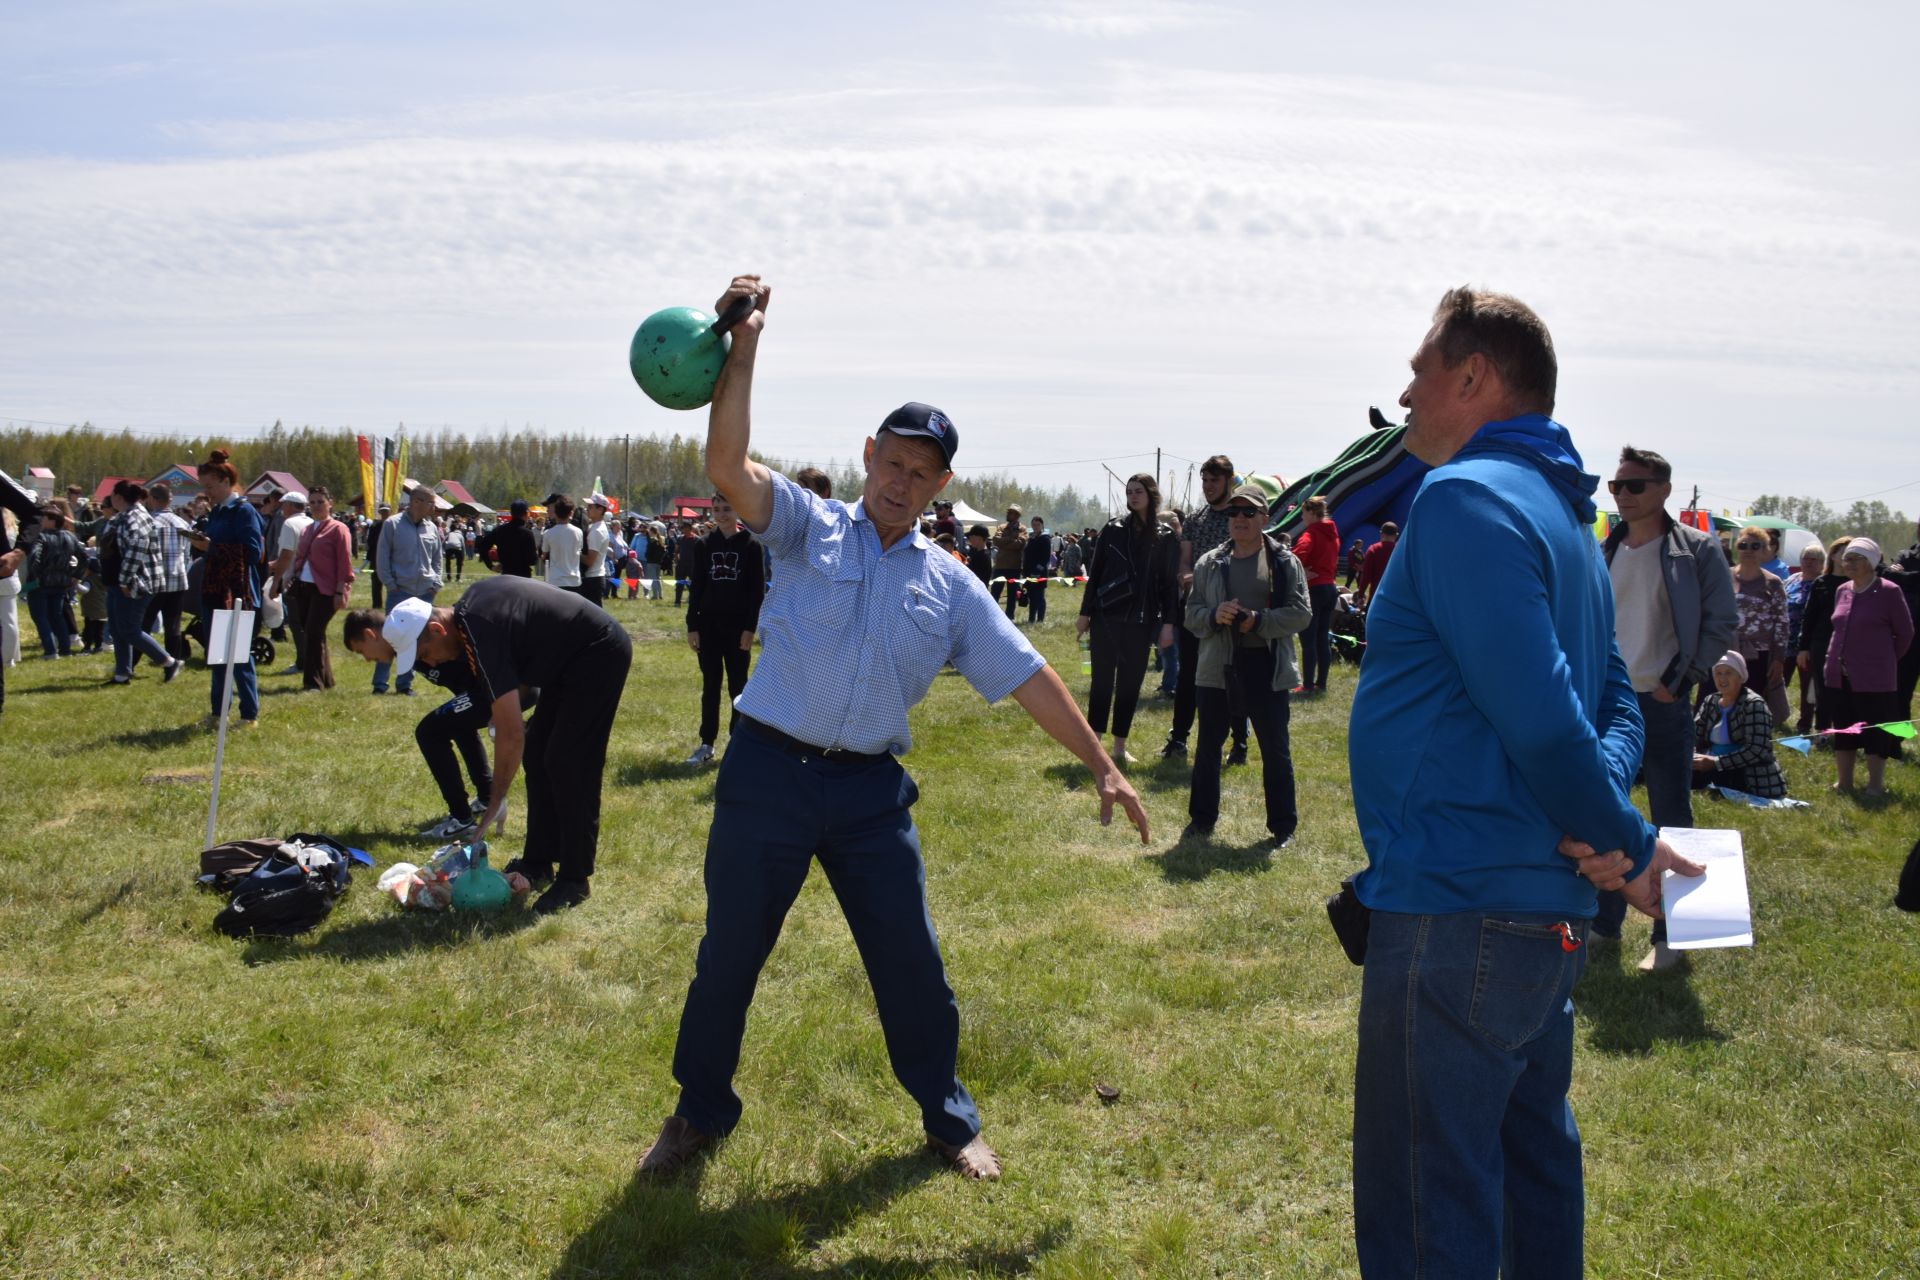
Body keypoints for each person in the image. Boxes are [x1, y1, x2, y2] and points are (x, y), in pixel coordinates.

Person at [636, 274, 1149, 1185]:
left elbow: (1026, 674)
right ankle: (697, 1114)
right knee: (729, 957)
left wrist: (1103, 765)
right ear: (868, 455)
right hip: (768, 776)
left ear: (942, 483)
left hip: (870, 796)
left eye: (922, 473)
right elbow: (727, 466)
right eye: (892, 464)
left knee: (912, 966)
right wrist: (744, 347)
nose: (901, 484)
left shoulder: (949, 584)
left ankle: (949, 1123)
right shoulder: (806, 528)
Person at [1347, 287, 1703, 1277]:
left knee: (1431, 1208)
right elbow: (1614, 709)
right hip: (1537, 915)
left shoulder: (1466, 499)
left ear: (1473, 378)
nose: (1407, 390)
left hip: (1461, 907)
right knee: (1532, 1178)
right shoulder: (1565, 523)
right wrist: (1604, 822)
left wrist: (1626, 847)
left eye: (1422, 368)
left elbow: (1552, 717)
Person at [344, 574, 631, 911]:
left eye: (426, 654)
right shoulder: (469, 624)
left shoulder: (480, 632)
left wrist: (493, 801)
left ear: (437, 630)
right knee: (539, 752)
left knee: (569, 760)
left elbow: (510, 734)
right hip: (565, 663)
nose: (431, 663)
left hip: (598, 652)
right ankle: (538, 860)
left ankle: (575, 879)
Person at [1596, 445, 1737, 971]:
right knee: (1605, 815)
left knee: (1672, 816)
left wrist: (1681, 682)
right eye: (1616, 486)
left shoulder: (1696, 549)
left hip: (1662, 701)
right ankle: (1602, 927)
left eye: (1634, 486)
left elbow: (1722, 622)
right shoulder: (1603, 550)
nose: (1623, 496)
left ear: (1664, 490)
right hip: (1606, 702)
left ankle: (1674, 940)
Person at [344, 598, 533, 841]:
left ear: (370, 635)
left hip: (509, 687)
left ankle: (461, 818)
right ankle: (486, 799)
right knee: (454, 725)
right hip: (494, 688)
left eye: (361, 651)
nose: (367, 659)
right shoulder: (411, 647)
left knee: (429, 731)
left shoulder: (414, 636)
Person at [1183, 483, 1310, 842]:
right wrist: (1214, 615)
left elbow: (1301, 614)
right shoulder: (1209, 562)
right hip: (1217, 666)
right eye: (1233, 512)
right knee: (1208, 747)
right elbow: (1191, 615)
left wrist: (1260, 621)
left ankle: (1283, 827)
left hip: (1266, 666)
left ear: (1264, 518)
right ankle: (1201, 820)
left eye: (1248, 512)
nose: (1239, 518)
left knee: (1275, 749)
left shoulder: (1285, 562)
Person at [1077, 473, 1178, 764]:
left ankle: (1120, 746)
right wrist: (1084, 613)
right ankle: (1094, 744)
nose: (1133, 496)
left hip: (1142, 620)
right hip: (1106, 615)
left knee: (1130, 684)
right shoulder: (1113, 529)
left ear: (1151, 494)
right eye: (1129, 491)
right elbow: (1095, 574)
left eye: (1139, 491)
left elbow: (1169, 585)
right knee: (1101, 682)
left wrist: (1168, 624)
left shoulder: (1165, 536)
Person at [1164, 455, 1248, 764]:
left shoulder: (1240, 517)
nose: (1209, 486)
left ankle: (1239, 743)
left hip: (1231, 610)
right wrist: (1187, 579)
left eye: (1214, 480)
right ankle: (1178, 739)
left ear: (1228, 480)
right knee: (1189, 675)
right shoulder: (1195, 519)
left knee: (1232, 676)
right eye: (1205, 480)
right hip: (1196, 611)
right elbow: (1184, 560)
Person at [1823, 538, 1914, 798]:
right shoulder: (1842, 590)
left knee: (1876, 731)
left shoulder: (1889, 591)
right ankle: (1844, 782)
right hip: (1838, 674)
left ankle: (1875, 785)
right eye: (1846, 558)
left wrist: (1884, 661)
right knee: (1844, 729)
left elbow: (1905, 634)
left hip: (1876, 677)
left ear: (1871, 562)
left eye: (1855, 558)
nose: (1847, 563)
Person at [682, 493, 764, 766]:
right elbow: (697, 588)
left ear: (737, 510)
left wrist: (750, 628)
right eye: (716, 509)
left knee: (738, 687)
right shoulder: (704, 545)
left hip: (738, 628)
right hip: (708, 627)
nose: (721, 514)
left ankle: (737, 743)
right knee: (710, 685)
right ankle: (706, 743)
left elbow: (756, 591)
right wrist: (692, 625)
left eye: (727, 508)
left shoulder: (751, 545)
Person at [192, 450, 264, 727]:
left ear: (225, 482)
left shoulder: (243, 511)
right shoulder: (219, 512)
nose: (207, 492)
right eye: (204, 487)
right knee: (219, 656)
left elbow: (253, 552)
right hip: (215, 590)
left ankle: (249, 715)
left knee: (239, 655)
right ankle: (218, 712)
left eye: (210, 486)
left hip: (238, 593)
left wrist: (211, 547)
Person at [101, 480, 186, 686]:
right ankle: (122, 674)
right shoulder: (123, 516)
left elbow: (138, 544)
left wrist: (124, 579)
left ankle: (169, 662)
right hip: (118, 582)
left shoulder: (135, 516)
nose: (111, 497)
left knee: (129, 629)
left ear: (119, 497)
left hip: (135, 583)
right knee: (118, 628)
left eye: (113, 494)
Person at [373, 485, 444, 695]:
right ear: (416, 502)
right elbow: (382, 557)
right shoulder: (392, 525)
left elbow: (437, 559)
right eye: (431, 502)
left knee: (414, 639)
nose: (434, 507)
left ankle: (404, 685)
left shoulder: (431, 527)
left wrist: (435, 585)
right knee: (390, 637)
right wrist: (391, 585)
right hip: (399, 591)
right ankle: (379, 684)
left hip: (424, 592)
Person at [1691, 651, 1788, 799]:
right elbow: (1694, 734)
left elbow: (1756, 751)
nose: (1722, 679)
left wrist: (1716, 763)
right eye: (1718, 673)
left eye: (1728, 673)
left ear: (1740, 676)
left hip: (1747, 773)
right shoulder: (1710, 701)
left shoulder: (1754, 704)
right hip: (1711, 764)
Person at [287, 486, 354, 691]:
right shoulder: (308, 528)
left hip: (325, 589)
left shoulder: (338, 529)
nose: (316, 506)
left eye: (320, 502)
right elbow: (299, 557)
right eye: (312, 502)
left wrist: (340, 591)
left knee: (313, 633)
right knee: (313, 633)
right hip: (304, 587)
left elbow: (344, 563)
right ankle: (326, 679)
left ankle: (312, 683)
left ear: (330, 503)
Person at [1730, 524, 1791, 726]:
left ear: (1765, 551)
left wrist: (1779, 659)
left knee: (1750, 706)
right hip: (1724, 652)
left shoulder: (1773, 583)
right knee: (1716, 701)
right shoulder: (1723, 576)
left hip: (1758, 656)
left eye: (1755, 546)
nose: (1748, 550)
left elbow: (1782, 622)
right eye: (1743, 545)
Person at [1797, 537, 1854, 739]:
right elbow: (1809, 617)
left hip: (1849, 644)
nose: (1846, 555)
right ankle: (1823, 731)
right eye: (1842, 551)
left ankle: (1846, 730)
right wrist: (1803, 648)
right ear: (1833, 555)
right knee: (1822, 688)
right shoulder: (1821, 582)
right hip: (1820, 643)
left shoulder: (1855, 584)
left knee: (1845, 688)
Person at [1290, 494, 1341, 693]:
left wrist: (1301, 569)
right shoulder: (1333, 533)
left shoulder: (1310, 533)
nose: (1302, 517)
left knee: (1308, 639)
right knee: (1322, 638)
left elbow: (1297, 555)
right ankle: (1322, 684)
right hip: (1330, 588)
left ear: (1311, 513)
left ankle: (1308, 685)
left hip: (1314, 589)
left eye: (1303, 513)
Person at [1783, 541, 1828, 734]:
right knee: (1778, 681)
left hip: (1806, 645)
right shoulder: (1792, 579)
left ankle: (1804, 724)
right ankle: (1774, 716)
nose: (1809, 562)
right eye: (1805, 558)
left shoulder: (1822, 584)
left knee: (1807, 687)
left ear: (1822, 563)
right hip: (1785, 642)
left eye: (1814, 559)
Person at [25, 505, 81, 659]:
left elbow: (34, 557)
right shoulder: (70, 537)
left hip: (42, 584)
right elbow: (84, 557)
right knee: (57, 617)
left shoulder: (41, 537)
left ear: (52, 520)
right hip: (62, 583)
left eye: (44, 517)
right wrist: (76, 575)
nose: (41, 520)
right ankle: (65, 650)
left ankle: (50, 651)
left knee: (40, 617)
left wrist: (34, 575)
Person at [267, 491, 312, 676]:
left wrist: (276, 581)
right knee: (309, 624)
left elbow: (286, 555)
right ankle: (311, 660)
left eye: (284, 504)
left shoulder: (289, 524)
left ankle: (303, 662)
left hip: (293, 580)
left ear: (291, 506)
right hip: (312, 579)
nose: (282, 508)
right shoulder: (310, 522)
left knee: (296, 624)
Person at [475, 500, 540, 578]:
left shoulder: (499, 530)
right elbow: (532, 560)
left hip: (506, 574)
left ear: (511, 513)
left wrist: (491, 566)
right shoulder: (527, 533)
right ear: (526, 513)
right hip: (523, 576)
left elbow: (482, 547)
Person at [1350, 522, 1398, 610]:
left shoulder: (1374, 549)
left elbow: (1366, 575)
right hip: (1398, 596)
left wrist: (1360, 595)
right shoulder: (1401, 550)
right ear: (1396, 535)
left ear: (1381, 533)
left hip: (1377, 594)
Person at [990, 506, 1025, 620]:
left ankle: (1009, 616)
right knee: (995, 593)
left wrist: (1005, 542)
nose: (1008, 515)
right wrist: (1011, 539)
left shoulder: (1022, 529)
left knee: (1012, 594)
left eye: (1010, 513)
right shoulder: (1001, 527)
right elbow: (996, 540)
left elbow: (1020, 543)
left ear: (1017, 515)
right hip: (1000, 565)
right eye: (1008, 512)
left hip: (1014, 567)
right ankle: (991, 616)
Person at [1021, 514, 1053, 624]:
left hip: (1039, 573)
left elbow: (1045, 557)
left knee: (1039, 596)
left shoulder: (1045, 538)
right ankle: (1031, 618)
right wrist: (1025, 571)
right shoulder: (1030, 538)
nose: (1035, 526)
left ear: (1042, 525)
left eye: (1037, 524)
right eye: (1033, 524)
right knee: (1031, 595)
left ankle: (1040, 619)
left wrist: (1038, 571)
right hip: (1028, 572)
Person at [363, 502, 391, 608]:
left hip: (391, 558)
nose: (384, 513)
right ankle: (377, 605)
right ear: (380, 512)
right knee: (376, 583)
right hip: (376, 558)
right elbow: (370, 542)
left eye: (386, 511)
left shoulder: (395, 525)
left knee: (391, 583)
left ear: (390, 511)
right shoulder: (375, 526)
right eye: (382, 511)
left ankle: (392, 604)